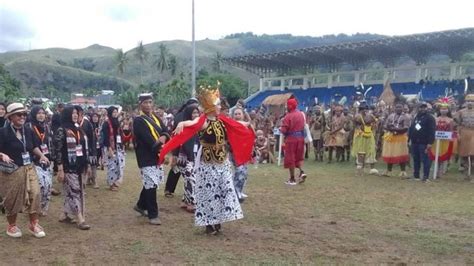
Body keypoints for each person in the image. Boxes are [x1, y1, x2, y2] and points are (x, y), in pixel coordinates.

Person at [159, 84, 254, 235]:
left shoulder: (222, 120)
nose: (220, 107)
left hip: (222, 164)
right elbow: (191, 123)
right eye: (217, 105)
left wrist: (247, 123)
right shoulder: (204, 122)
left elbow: (238, 124)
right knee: (210, 194)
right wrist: (183, 123)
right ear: (210, 106)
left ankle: (218, 221)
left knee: (223, 192)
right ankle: (210, 223)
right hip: (208, 165)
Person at [0, 103, 49, 238]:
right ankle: (12, 226)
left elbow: (33, 147)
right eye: (19, 115)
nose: (22, 117)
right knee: (12, 198)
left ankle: (34, 224)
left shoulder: (28, 130)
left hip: (29, 168)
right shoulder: (3, 132)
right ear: (10, 117)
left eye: (24, 114)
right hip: (11, 171)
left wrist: (42, 155)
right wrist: (2, 154)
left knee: (35, 193)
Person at [133, 93, 170, 225]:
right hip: (146, 157)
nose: (148, 105)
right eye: (145, 103)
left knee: (151, 183)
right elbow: (148, 140)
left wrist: (163, 138)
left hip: (156, 155)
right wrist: (160, 144)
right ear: (140, 104)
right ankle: (153, 214)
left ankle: (140, 205)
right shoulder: (138, 121)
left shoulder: (155, 118)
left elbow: (166, 131)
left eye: (150, 102)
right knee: (151, 185)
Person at [54, 106, 91, 230]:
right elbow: (57, 150)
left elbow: (84, 148)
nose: (75, 115)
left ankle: (64, 214)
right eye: (72, 113)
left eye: (77, 113)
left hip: (80, 165)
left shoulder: (78, 129)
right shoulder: (62, 130)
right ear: (66, 114)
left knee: (74, 190)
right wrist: (60, 169)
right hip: (68, 166)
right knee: (74, 191)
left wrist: (88, 164)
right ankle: (80, 218)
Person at [164, 98, 199, 198]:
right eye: (194, 108)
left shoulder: (197, 120)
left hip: (192, 150)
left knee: (184, 172)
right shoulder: (180, 117)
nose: (196, 113)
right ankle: (169, 189)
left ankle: (185, 196)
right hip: (181, 149)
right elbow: (176, 136)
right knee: (177, 169)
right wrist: (174, 153)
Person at [29, 106, 54, 216]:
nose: (41, 115)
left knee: (48, 185)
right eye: (38, 113)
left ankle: (44, 207)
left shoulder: (47, 127)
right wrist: (40, 155)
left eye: (43, 113)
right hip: (34, 161)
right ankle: (34, 206)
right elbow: (30, 145)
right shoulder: (29, 127)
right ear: (34, 114)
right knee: (40, 185)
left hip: (47, 161)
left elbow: (50, 143)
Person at [175, 104, 200, 212]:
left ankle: (185, 201)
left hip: (194, 157)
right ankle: (192, 203)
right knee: (191, 179)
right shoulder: (183, 126)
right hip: (185, 158)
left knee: (188, 180)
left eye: (197, 112)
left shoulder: (198, 126)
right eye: (194, 113)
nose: (196, 115)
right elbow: (176, 142)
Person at [279, 97, 307, 185]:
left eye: (287, 105)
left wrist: (280, 127)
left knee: (290, 158)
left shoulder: (288, 116)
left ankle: (292, 179)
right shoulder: (300, 114)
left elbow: (284, 130)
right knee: (297, 157)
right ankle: (302, 172)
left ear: (290, 106)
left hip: (291, 139)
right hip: (300, 138)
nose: (286, 107)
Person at [408, 102, 436, 182]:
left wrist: (430, 143)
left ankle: (425, 177)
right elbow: (412, 128)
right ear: (418, 108)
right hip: (414, 142)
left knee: (425, 160)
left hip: (424, 142)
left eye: (424, 107)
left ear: (426, 108)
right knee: (416, 159)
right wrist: (409, 139)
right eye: (421, 107)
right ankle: (416, 176)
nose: (422, 109)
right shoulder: (416, 117)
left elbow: (432, 131)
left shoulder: (430, 118)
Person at [381, 103, 411, 178]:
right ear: (394, 108)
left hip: (400, 138)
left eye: (400, 107)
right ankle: (389, 171)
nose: (398, 109)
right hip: (390, 137)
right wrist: (389, 128)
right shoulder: (391, 116)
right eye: (397, 107)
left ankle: (403, 171)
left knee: (401, 154)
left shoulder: (406, 117)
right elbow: (385, 125)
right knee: (390, 154)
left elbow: (405, 128)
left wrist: (395, 129)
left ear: (403, 108)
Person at [428, 99, 454, 177]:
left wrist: (450, 139)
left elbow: (451, 131)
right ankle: (435, 170)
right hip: (436, 140)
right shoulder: (435, 119)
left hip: (445, 140)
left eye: (445, 109)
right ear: (439, 110)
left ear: (448, 110)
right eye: (442, 109)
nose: (443, 110)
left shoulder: (450, 120)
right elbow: (433, 129)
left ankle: (441, 171)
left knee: (443, 155)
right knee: (435, 154)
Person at [102, 106, 125, 191]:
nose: (115, 114)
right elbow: (106, 137)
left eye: (116, 112)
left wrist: (122, 145)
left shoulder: (117, 122)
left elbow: (120, 135)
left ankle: (116, 181)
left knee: (120, 165)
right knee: (112, 166)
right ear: (110, 113)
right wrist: (109, 148)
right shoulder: (106, 123)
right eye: (113, 112)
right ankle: (111, 184)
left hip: (118, 147)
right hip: (110, 147)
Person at [352, 103, 379, 175]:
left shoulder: (370, 116)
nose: (364, 110)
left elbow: (376, 123)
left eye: (365, 109)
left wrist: (373, 126)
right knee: (361, 151)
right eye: (363, 109)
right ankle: (360, 168)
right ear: (360, 110)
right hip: (361, 136)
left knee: (371, 150)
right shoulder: (358, 116)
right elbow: (355, 125)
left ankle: (371, 168)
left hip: (369, 135)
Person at [456, 94, 474, 179]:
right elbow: (458, 124)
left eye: (472, 101)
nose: (470, 103)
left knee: (472, 153)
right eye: (468, 101)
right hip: (464, 133)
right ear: (465, 102)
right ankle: (466, 172)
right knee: (464, 154)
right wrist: (458, 134)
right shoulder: (461, 112)